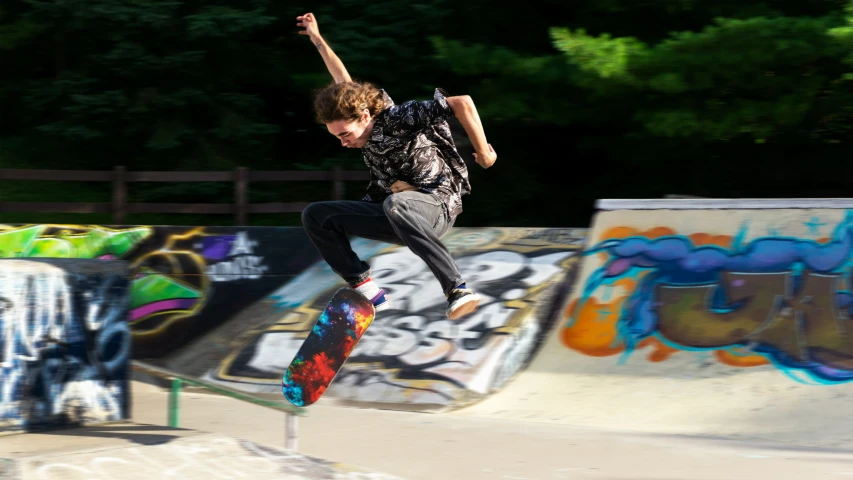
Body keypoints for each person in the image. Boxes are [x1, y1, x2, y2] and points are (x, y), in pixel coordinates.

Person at [296, 12, 497, 320]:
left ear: (364, 117)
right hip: (395, 214)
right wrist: (317, 39)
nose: (343, 143)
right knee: (317, 216)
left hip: (435, 208)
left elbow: (462, 103)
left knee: (396, 203)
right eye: (336, 136)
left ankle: (457, 289)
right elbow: (343, 81)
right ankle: (367, 289)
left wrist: (484, 154)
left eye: (345, 134)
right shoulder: (354, 109)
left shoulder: (400, 118)